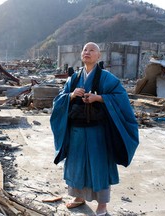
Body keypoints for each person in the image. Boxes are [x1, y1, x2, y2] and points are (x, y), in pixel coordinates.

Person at [50, 42, 139, 215]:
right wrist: (71, 95)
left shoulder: (107, 78)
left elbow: (121, 99)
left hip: (98, 132)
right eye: (84, 49)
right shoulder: (74, 78)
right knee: (76, 164)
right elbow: (58, 100)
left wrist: (99, 98)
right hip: (76, 131)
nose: (87, 52)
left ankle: (102, 205)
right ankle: (79, 197)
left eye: (92, 50)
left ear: (99, 56)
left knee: (99, 166)